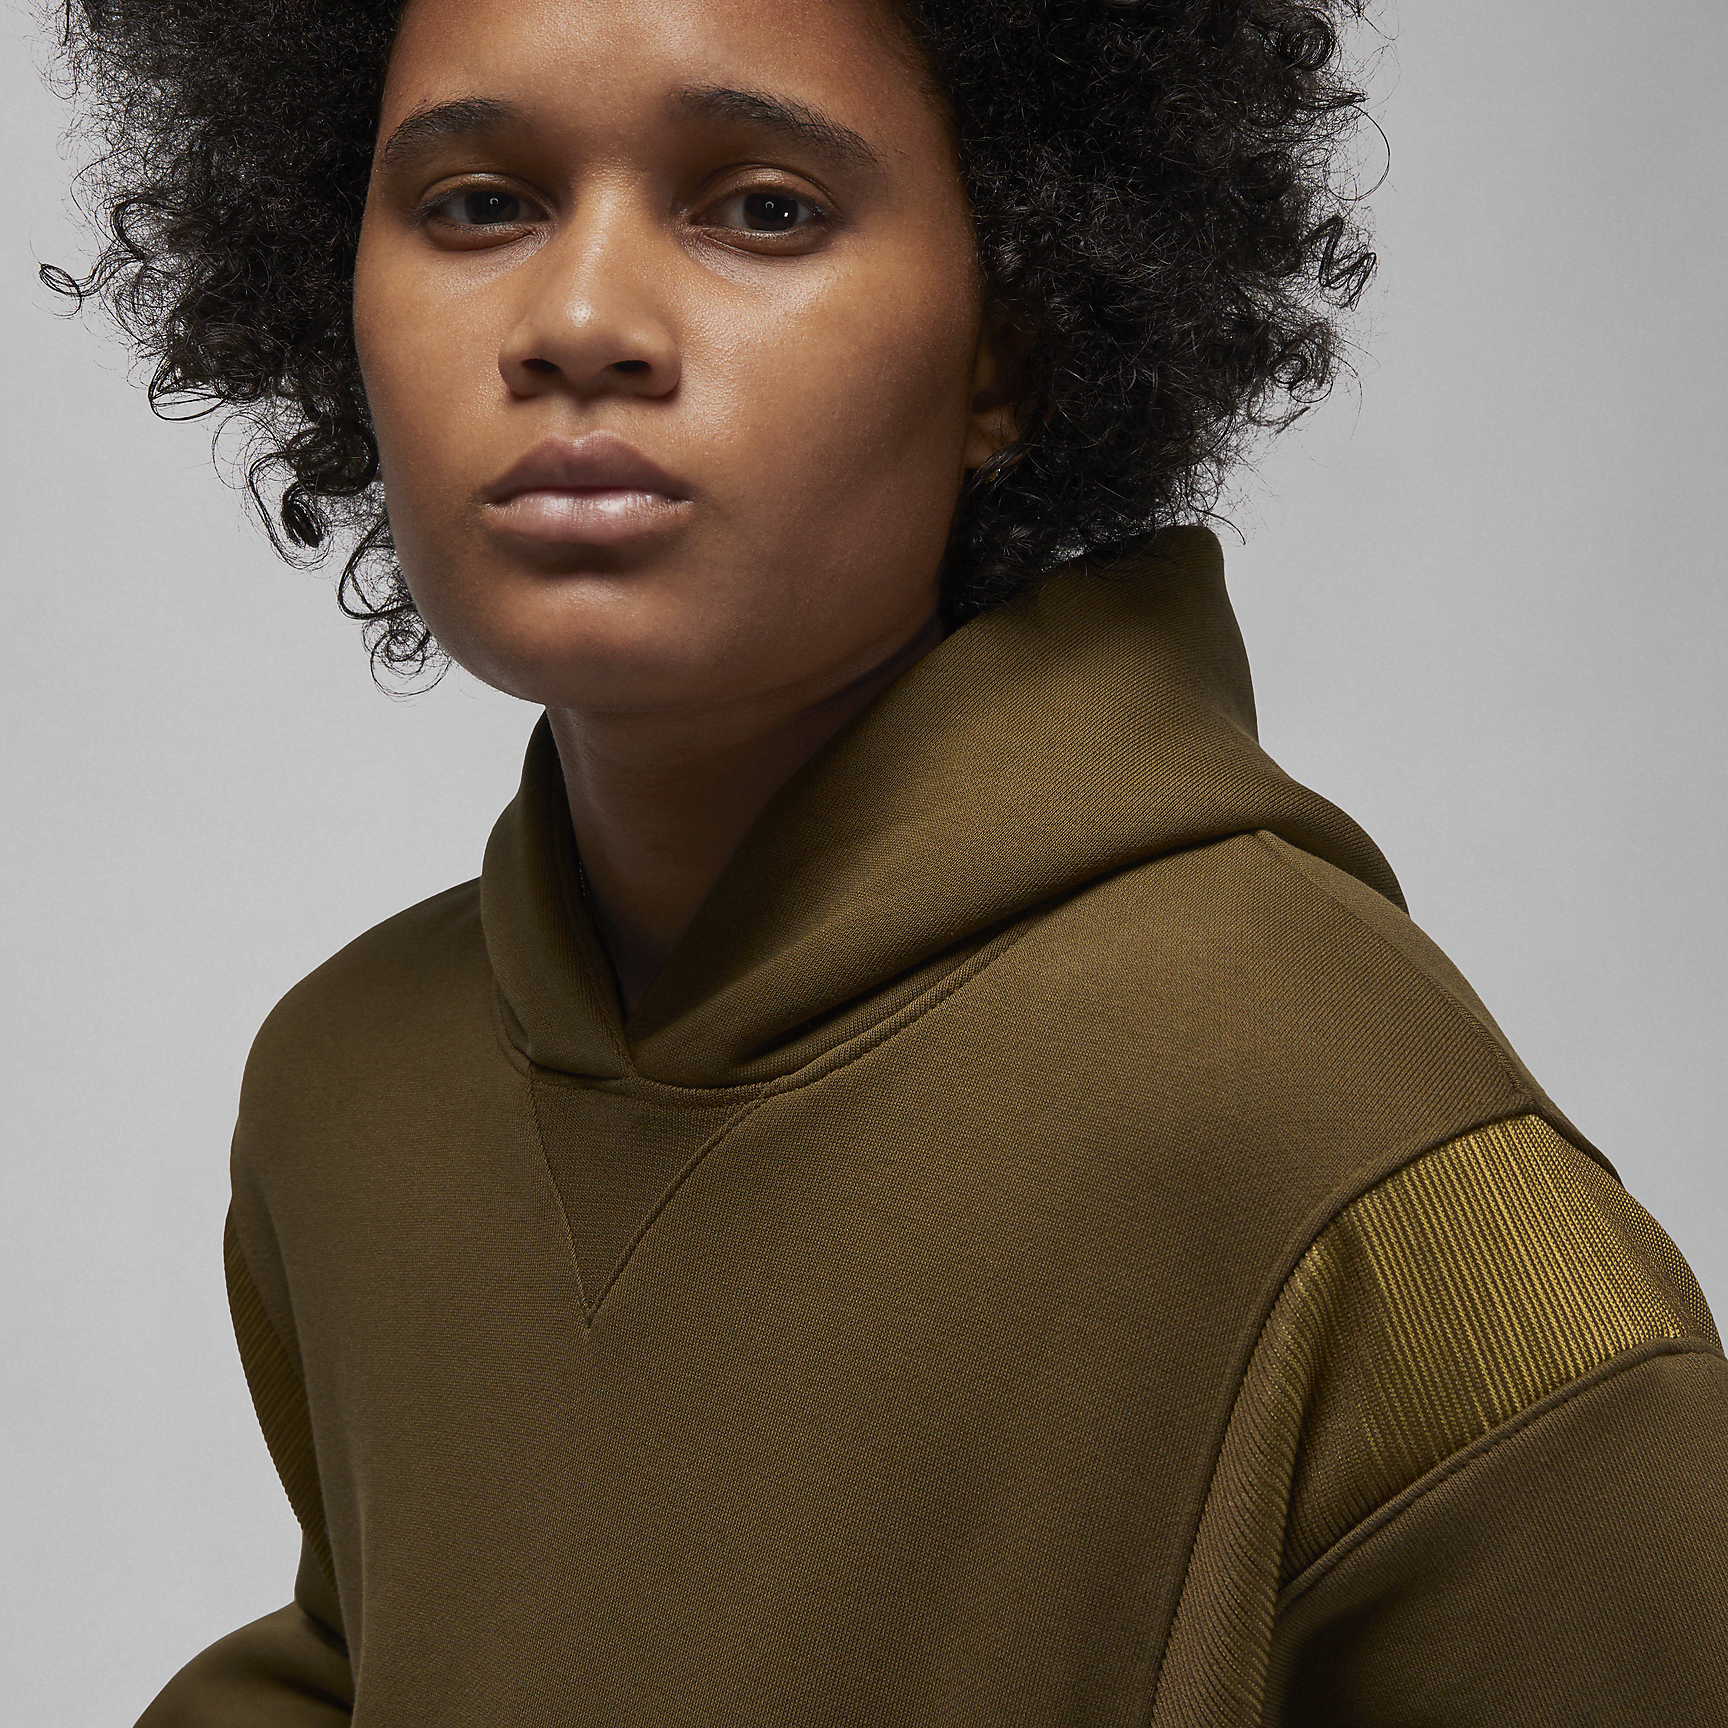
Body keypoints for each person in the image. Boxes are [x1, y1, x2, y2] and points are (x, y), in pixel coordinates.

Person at [47, 0, 1727, 1721]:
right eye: (480, 205)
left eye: (763, 208)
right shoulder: (347, 1094)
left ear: (1010, 345)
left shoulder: (1344, 1149)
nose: (578, 322)